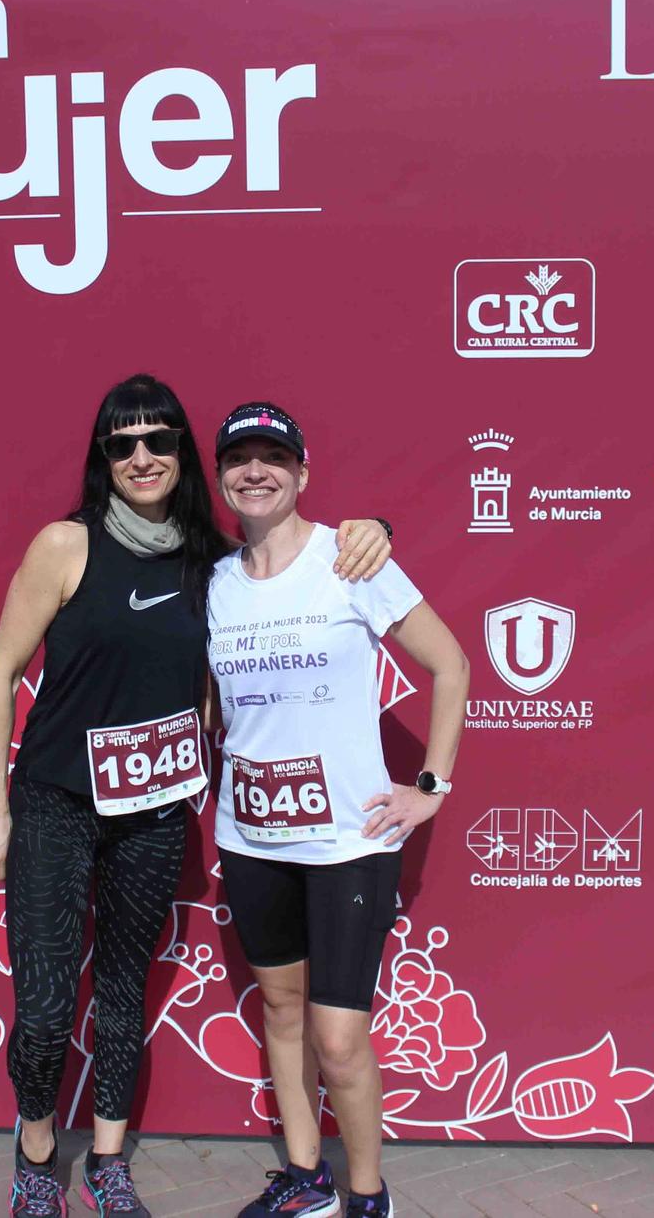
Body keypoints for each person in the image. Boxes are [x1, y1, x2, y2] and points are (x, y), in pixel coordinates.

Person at [0, 375, 395, 1218]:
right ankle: (33, 1152)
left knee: (125, 996)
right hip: (57, 799)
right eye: (122, 442)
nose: (141, 456)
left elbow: (295, 553)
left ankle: (108, 1159)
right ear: (104, 456)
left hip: (156, 811)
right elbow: (0, 673)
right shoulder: (65, 544)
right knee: (51, 1007)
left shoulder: (209, 558)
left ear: (179, 454)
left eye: (158, 439)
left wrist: (379, 531)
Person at [204, 401, 469, 1218]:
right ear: (221, 478)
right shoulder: (211, 582)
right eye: (240, 458)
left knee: (339, 1037)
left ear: (303, 474)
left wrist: (428, 790)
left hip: (347, 842)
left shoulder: (351, 558)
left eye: (273, 458)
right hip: (251, 839)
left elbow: (451, 665)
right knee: (281, 1010)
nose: (257, 471)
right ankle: (305, 1178)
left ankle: (366, 1194)